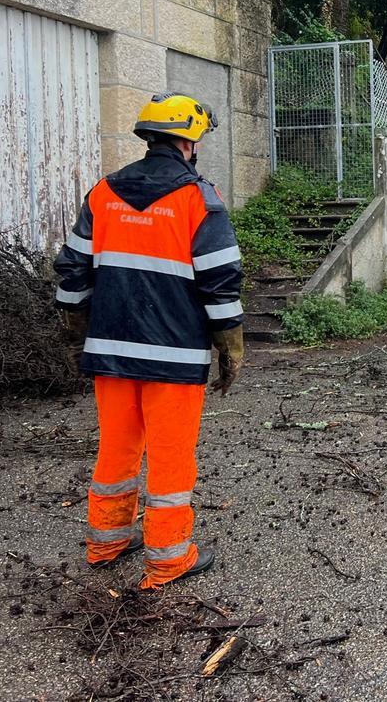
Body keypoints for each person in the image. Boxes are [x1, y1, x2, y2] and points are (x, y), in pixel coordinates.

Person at [54, 94, 245, 590]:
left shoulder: (103, 193)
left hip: (111, 349)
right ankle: (167, 559)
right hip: (174, 354)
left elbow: (73, 269)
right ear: (189, 141)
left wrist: (77, 331)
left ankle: (107, 541)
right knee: (170, 453)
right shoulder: (200, 198)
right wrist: (232, 347)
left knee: (116, 446)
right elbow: (220, 281)